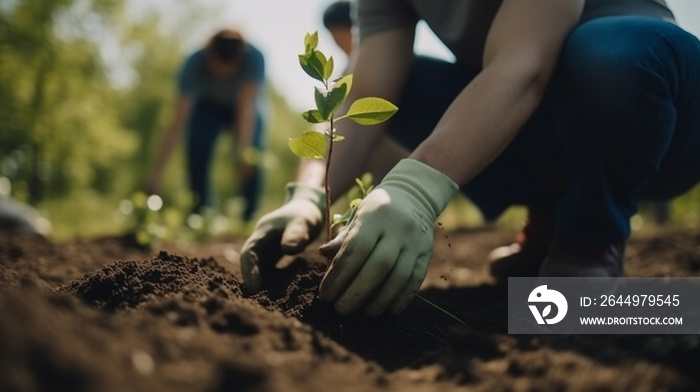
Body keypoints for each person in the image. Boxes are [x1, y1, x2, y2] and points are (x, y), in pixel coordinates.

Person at [240, 0, 700, 317]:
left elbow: (524, 65)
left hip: (658, 114)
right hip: (542, 116)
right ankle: (552, 217)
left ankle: (591, 237)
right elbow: (365, 94)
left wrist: (414, 189)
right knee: (408, 86)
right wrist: (306, 195)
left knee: (608, 54)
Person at [144, 29, 266, 222]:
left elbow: (246, 109)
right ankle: (200, 213)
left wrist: (242, 152)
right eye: (218, 66)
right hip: (207, 108)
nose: (223, 73)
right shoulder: (194, 63)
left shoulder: (254, 58)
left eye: (229, 68)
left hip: (243, 109)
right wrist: (155, 175)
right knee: (197, 148)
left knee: (251, 155)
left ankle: (249, 217)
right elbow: (176, 123)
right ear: (209, 54)